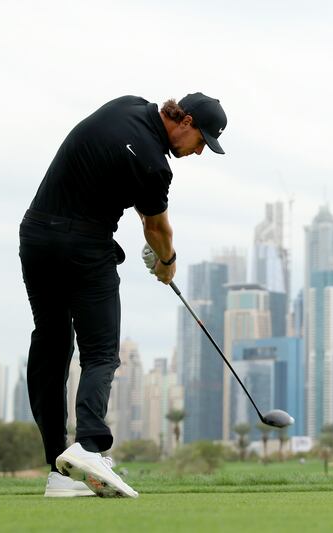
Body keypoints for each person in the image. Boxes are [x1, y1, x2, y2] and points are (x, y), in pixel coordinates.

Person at [19, 93, 227, 498]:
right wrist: (166, 262)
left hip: (37, 235)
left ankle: (59, 471)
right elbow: (157, 229)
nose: (199, 151)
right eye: (201, 141)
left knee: (52, 344)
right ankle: (91, 446)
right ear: (183, 121)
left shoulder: (127, 104)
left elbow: (111, 166)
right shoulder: (155, 166)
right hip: (83, 247)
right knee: (101, 352)